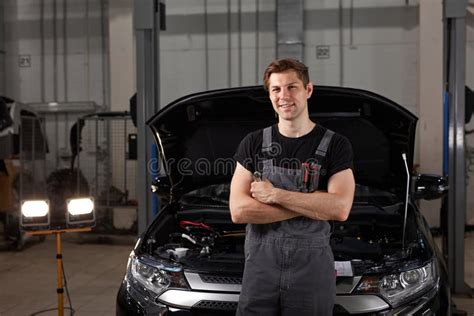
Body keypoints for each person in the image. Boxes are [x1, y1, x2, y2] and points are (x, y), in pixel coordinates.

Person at [230, 58, 355, 315]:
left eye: (292, 87)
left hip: (311, 272)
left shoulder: (336, 145)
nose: (283, 96)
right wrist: (314, 203)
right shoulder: (252, 143)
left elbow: (340, 208)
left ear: (308, 89)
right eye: (276, 89)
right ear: (269, 95)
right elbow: (239, 211)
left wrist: (275, 195)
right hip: (260, 272)